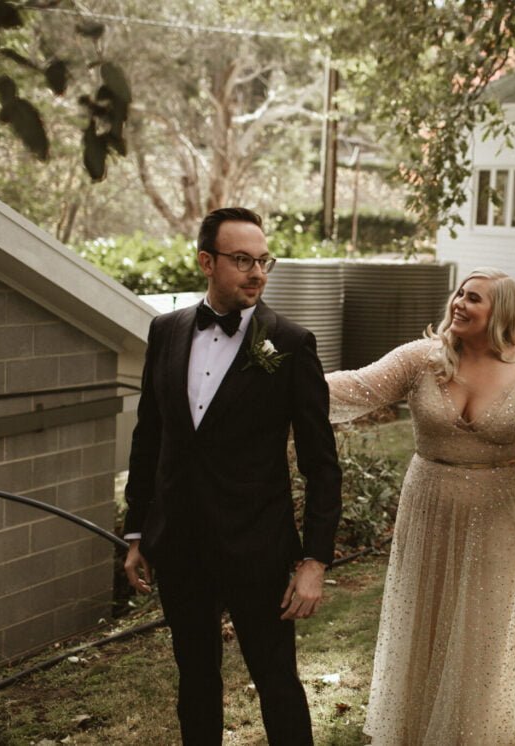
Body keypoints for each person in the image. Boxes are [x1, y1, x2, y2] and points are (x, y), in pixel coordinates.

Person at [326, 267, 515, 745]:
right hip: (429, 503)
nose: (459, 304)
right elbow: (356, 386)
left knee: (485, 621)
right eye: (460, 294)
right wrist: (284, 379)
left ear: (501, 313)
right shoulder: (420, 358)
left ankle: (480, 728)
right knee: (426, 614)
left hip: (498, 511)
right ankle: (418, 721)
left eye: (474, 298)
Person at [121, 207, 342, 746]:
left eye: (264, 260)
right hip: (179, 545)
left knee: (277, 683)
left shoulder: (290, 343)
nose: (257, 273)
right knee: (196, 681)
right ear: (206, 262)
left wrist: (314, 560)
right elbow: (150, 437)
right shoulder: (166, 330)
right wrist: (137, 531)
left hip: (256, 547)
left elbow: (321, 463)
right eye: (243, 260)